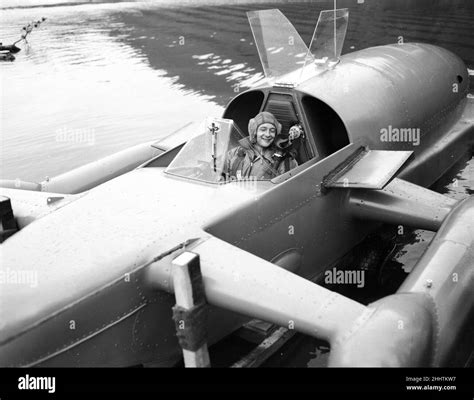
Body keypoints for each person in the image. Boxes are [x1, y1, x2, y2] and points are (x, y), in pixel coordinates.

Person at [225, 112, 298, 180]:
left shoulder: (284, 160)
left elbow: (287, 188)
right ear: (255, 131)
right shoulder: (236, 153)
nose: (268, 134)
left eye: (272, 131)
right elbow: (218, 172)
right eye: (263, 129)